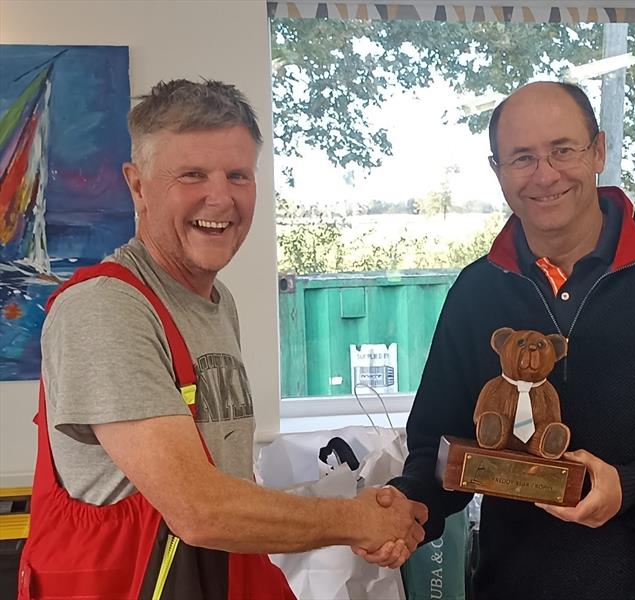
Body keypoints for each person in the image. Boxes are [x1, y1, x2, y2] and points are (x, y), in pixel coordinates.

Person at [19, 79, 426, 599]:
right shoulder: (105, 308)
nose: (221, 198)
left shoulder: (216, 302)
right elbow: (198, 509)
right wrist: (355, 521)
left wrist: (370, 511)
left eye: (238, 175)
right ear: (137, 184)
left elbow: (226, 481)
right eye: (192, 175)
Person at [373, 82, 635, 599]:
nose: (545, 175)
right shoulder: (476, 291)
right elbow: (437, 445)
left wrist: (634, 487)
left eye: (563, 150)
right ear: (497, 171)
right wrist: (408, 507)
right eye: (521, 157)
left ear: (599, 152)